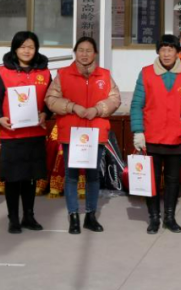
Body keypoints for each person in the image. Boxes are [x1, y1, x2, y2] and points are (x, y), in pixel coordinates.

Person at [45, 37, 121, 234]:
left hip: (95, 132)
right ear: (75, 52)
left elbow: (115, 99)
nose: (84, 54)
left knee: (92, 175)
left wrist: (97, 109)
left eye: (88, 50)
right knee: (71, 175)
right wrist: (72, 107)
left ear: (95, 53)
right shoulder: (62, 74)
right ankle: (73, 216)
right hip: (71, 133)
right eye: (81, 50)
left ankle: (90, 215)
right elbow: (51, 99)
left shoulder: (104, 75)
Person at [131, 34, 181, 234]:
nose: (166, 54)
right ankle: (154, 218)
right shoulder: (146, 73)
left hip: (177, 135)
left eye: (170, 50)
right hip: (152, 136)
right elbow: (136, 104)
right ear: (158, 52)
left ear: (177, 52)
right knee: (152, 179)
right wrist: (138, 131)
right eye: (163, 50)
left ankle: (169, 217)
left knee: (173, 180)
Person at [0, 31, 51, 234]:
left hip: (35, 134)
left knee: (31, 178)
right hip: (12, 135)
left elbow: (50, 100)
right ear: (15, 49)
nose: (27, 51)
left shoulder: (45, 73)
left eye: (31, 47)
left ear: (36, 49)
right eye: (22, 47)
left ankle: (29, 216)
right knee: (13, 178)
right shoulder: (3, 72)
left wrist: (46, 113)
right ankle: (13, 218)